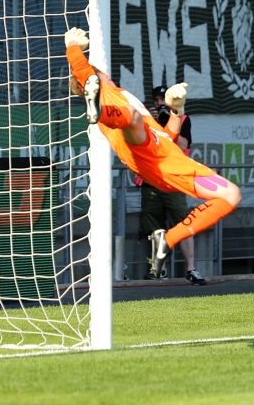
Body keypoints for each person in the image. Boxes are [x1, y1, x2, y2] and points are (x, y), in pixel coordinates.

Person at [64, 27, 241, 277]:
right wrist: (72, 44)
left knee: (231, 195)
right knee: (133, 117)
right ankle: (98, 113)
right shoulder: (107, 92)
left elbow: (166, 137)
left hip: (165, 159)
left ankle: (168, 239)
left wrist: (177, 110)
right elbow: (82, 69)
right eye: (100, 74)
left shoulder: (123, 96)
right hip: (143, 152)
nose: (106, 74)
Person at [136, 86, 205, 285]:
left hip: (174, 180)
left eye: (163, 99)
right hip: (152, 179)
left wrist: (168, 123)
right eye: (156, 100)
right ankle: (160, 269)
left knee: (183, 223)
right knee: (155, 228)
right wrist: (150, 121)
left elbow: (183, 145)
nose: (160, 103)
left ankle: (191, 269)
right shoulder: (147, 120)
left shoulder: (182, 118)